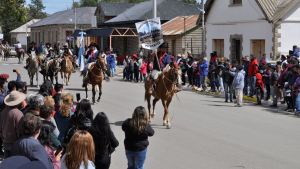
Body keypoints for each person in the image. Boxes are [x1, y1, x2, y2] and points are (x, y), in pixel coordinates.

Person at [0, 91, 26, 157]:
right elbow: (20, 131)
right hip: (15, 144)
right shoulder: (18, 113)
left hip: (5, 142)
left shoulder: (3, 112)